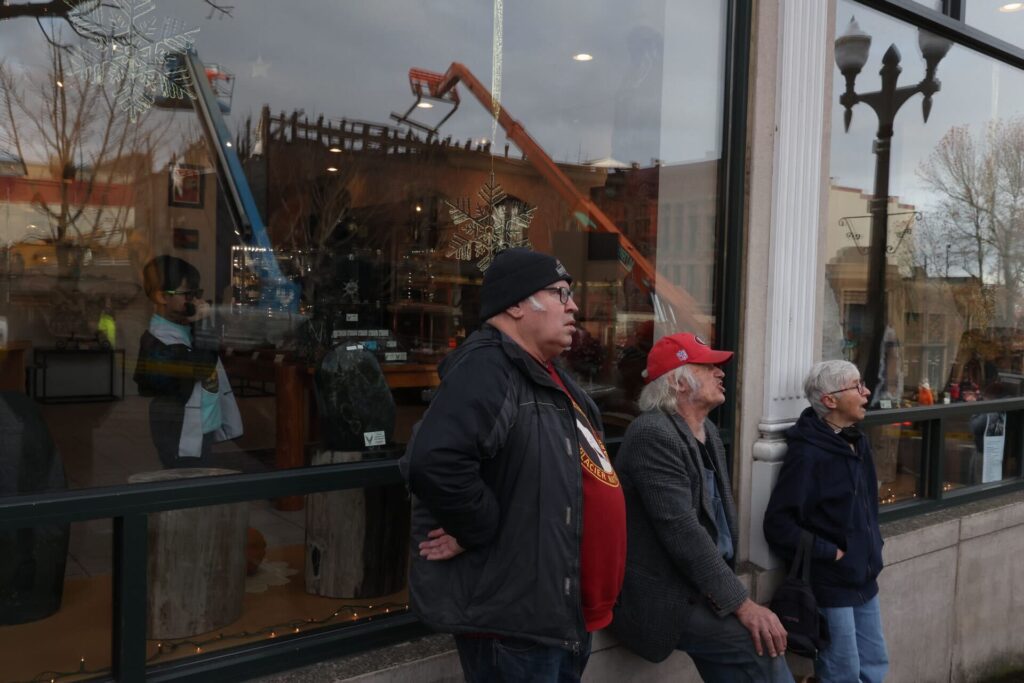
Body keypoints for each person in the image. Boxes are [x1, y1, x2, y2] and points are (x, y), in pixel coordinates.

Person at [400, 248, 626, 683]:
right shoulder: (488, 366)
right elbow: (435, 461)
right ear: (517, 305)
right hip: (517, 622)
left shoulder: (544, 372)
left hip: (556, 612)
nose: (573, 305)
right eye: (561, 293)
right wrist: (476, 528)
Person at [611, 333, 793, 683]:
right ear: (679, 382)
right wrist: (743, 604)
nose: (720, 372)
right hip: (667, 594)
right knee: (759, 647)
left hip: (703, 585)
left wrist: (729, 593)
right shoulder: (653, 434)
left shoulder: (705, 428)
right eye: (708, 366)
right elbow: (683, 532)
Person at [764, 360, 888, 683]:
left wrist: (873, 544)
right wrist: (831, 552)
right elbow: (778, 524)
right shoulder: (807, 454)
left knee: (875, 667)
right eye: (857, 386)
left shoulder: (858, 442)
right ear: (830, 400)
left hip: (865, 578)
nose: (866, 392)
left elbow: (868, 508)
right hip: (831, 586)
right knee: (841, 674)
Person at [133, 255, 242, 469]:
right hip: (177, 429)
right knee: (185, 475)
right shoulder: (158, 340)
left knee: (201, 467)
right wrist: (203, 326)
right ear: (162, 297)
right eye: (187, 294)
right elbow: (199, 367)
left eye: (197, 294)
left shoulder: (184, 328)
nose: (194, 301)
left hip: (202, 424)